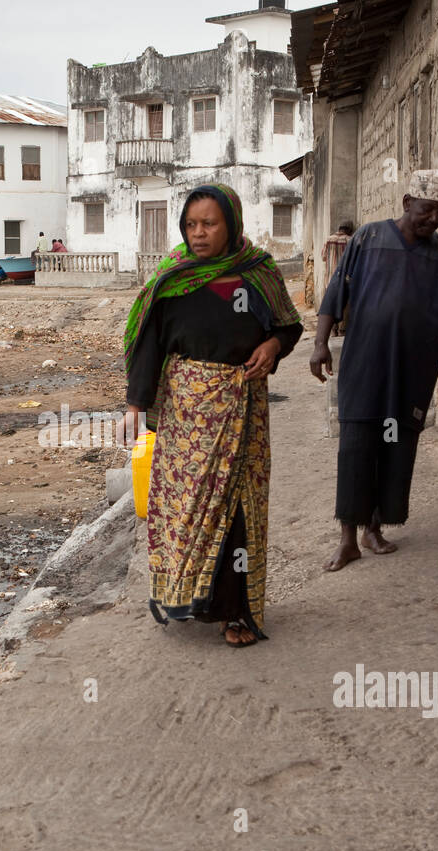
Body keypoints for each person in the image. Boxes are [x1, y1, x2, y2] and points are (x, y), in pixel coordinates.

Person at [123, 183, 302, 648]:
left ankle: (236, 612)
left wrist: (273, 346)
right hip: (187, 414)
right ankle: (190, 596)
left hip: (244, 408)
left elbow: (288, 324)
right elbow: (148, 344)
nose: (198, 234)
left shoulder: (258, 274)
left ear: (232, 224)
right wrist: (135, 404)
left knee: (237, 508)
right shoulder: (173, 278)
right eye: (190, 225)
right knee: (186, 508)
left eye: (209, 224)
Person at [310, 170, 438, 572]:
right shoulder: (368, 239)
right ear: (407, 203)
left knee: (396, 447)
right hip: (364, 364)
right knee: (356, 446)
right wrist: (320, 344)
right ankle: (348, 538)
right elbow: (337, 290)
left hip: (411, 370)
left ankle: (375, 527)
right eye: (427, 211)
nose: (434, 220)